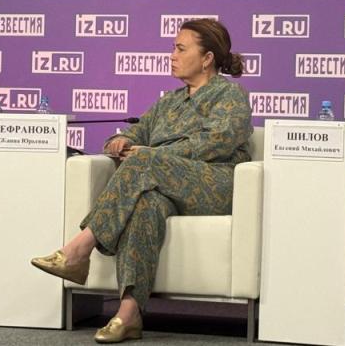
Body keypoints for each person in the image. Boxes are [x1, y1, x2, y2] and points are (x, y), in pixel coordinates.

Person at [31, 18, 253, 343]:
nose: (172, 55)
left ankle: (80, 249)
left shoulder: (229, 95)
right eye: (173, 48)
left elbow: (217, 141)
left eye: (181, 49)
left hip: (215, 184)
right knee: (146, 204)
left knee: (145, 161)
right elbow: (135, 133)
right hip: (163, 183)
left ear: (207, 58)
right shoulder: (169, 101)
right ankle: (129, 314)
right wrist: (120, 141)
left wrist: (154, 153)